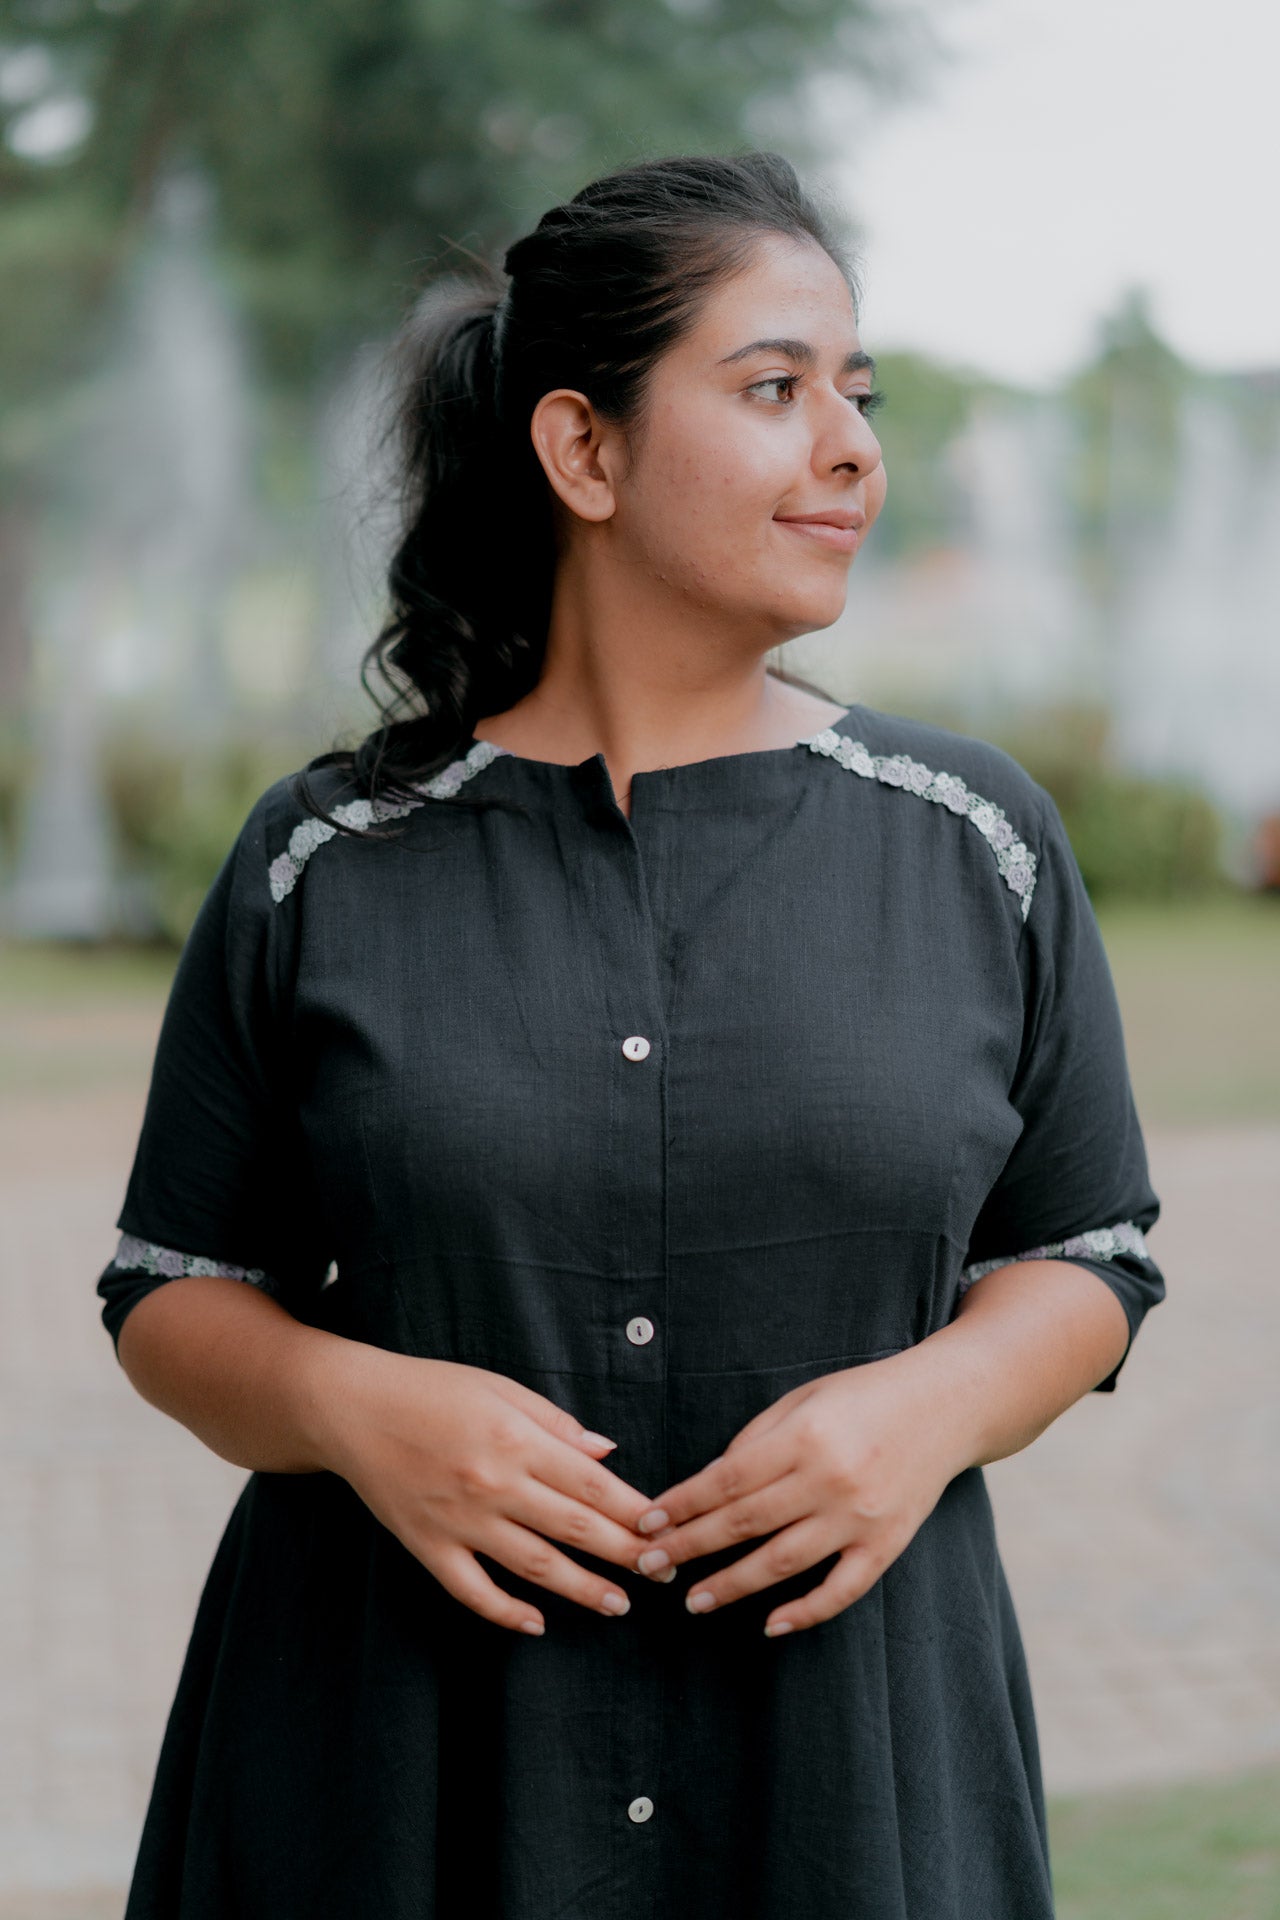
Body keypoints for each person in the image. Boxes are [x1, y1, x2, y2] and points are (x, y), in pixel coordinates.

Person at [97, 150, 1164, 1919]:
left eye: (858, 392)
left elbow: (1091, 1246)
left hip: (850, 1781)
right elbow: (169, 1284)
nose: (851, 446)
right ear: (582, 450)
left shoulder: (975, 837)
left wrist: (932, 1408)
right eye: (774, 389)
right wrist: (348, 1403)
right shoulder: (325, 861)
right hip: (389, 1781)